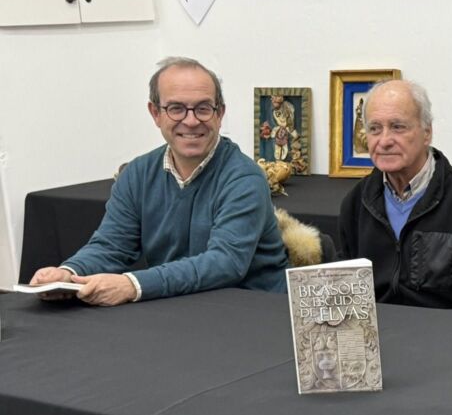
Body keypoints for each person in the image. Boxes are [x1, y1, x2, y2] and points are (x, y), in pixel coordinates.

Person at [30, 56, 288, 306]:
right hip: (176, 306)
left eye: (203, 108)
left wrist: (132, 285)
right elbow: (112, 245)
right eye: (176, 109)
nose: (191, 121)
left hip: (251, 310)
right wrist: (69, 273)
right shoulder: (137, 174)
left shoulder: (244, 178)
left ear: (219, 114)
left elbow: (224, 264)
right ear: (155, 113)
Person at [336, 79, 452, 314]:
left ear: (427, 133)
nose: (384, 141)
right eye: (374, 129)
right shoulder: (356, 203)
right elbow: (343, 290)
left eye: (398, 127)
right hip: (377, 333)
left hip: (448, 332)